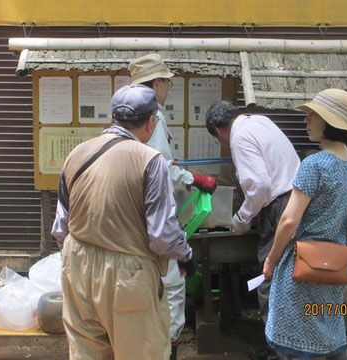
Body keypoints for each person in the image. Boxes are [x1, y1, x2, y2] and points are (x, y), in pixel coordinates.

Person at [52, 84, 195, 360]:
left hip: (76, 263)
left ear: (111, 118)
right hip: (128, 274)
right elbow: (162, 235)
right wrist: (186, 255)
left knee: (87, 353)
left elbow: (61, 226)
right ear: (151, 123)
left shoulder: (77, 153)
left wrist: (78, 259)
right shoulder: (151, 161)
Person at [263, 88, 347, 359]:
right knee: (327, 335)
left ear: (329, 121)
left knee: (294, 344)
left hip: (302, 270)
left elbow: (288, 220)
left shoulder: (315, 164)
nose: (306, 119)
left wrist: (271, 260)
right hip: (334, 271)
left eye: (312, 114)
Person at [129, 53, 216, 360]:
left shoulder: (127, 116)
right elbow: (162, 168)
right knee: (172, 286)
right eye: (167, 81)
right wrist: (195, 179)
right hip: (155, 214)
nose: (169, 87)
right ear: (156, 83)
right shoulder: (154, 114)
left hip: (131, 216)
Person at [205, 101, 300, 360]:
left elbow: (259, 185)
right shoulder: (260, 122)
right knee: (288, 279)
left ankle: (280, 354)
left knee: (271, 280)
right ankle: (282, 348)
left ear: (218, 130)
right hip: (295, 200)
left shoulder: (239, 137)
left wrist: (241, 219)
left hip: (278, 207)